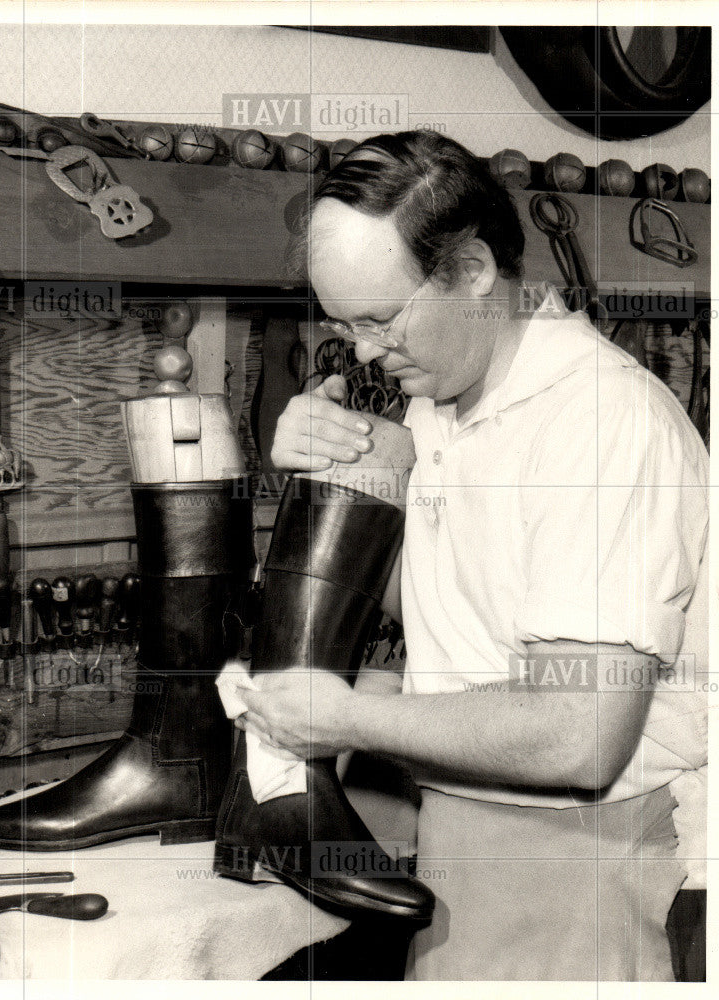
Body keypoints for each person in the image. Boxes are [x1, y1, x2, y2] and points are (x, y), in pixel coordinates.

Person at [233, 131, 709, 981]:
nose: (365, 350)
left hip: (579, 854)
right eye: (344, 324)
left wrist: (343, 719)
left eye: (379, 319)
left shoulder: (598, 424)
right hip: (462, 823)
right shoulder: (443, 404)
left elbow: (581, 732)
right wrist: (349, 486)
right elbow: (426, 613)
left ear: (475, 271)